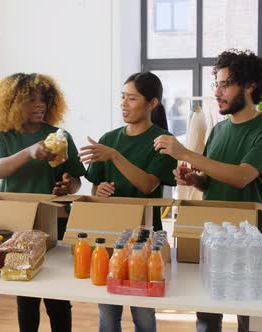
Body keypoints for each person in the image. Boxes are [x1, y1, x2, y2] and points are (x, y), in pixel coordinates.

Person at [153, 49, 262, 332]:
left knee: (249, 319)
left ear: (250, 86)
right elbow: (211, 180)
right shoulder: (220, 130)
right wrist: (193, 179)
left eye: (226, 84)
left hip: (248, 242)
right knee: (207, 317)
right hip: (213, 238)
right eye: (217, 84)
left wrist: (186, 152)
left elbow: (241, 177)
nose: (217, 92)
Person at [0, 73, 86, 332]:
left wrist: (67, 186)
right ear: (13, 103)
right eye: (31, 100)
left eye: (43, 99)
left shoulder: (60, 135)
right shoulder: (2, 137)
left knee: (58, 298)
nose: (39, 105)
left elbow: (76, 181)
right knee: (26, 298)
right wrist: (29, 152)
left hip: (56, 223)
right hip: (19, 226)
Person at [81, 71, 178, 332]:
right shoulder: (109, 139)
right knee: (108, 312)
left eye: (132, 98)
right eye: (122, 97)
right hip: (110, 237)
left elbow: (148, 184)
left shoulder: (162, 142)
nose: (124, 104)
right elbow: (93, 189)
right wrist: (98, 189)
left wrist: (115, 156)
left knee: (143, 314)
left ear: (152, 104)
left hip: (145, 242)